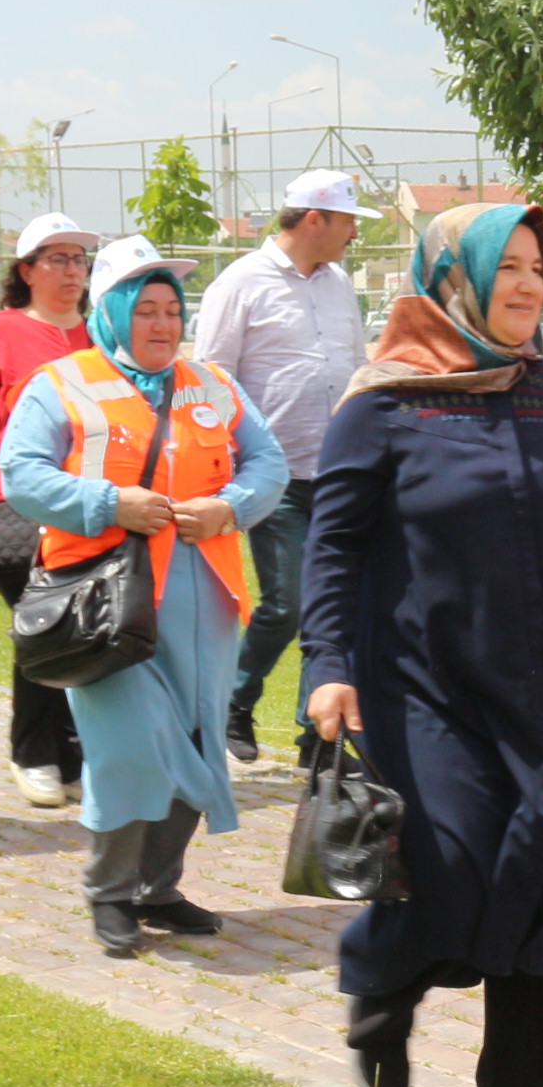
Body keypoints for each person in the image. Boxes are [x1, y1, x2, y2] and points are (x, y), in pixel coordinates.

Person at [302, 202, 543, 1087]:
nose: (528, 284)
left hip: (536, 679)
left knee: (541, 863)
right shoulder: (382, 403)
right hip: (420, 682)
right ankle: (383, 979)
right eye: (507, 266)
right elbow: (333, 547)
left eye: (537, 266)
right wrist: (328, 663)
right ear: (454, 277)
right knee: (453, 861)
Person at [0, 237, 285, 958]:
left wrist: (233, 506)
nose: (161, 325)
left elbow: (268, 462)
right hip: (105, 603)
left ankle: (157, 888)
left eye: (170, 310)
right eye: (145, 310)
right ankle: (108, 892)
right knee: (130, 749)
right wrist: (106, 502)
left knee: (196, 740)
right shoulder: (60, 384)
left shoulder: (212, 382)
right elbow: (21, 476)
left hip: (206, 598)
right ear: (113, 312)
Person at [192, 168, 376, 766]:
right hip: (272, 474)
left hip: (341, 470)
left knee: (336, 604)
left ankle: (317, 739)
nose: (354, 232)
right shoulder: (240, 283)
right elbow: (210, 380)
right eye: (348, 220)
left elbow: (355, 363)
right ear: (315, 219)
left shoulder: (340, 283)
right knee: (289, 600)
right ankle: (235, 702)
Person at [0, 212, 102, 808]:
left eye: (78, 260)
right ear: (27, 270)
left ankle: (69, 757)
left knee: (76, 628)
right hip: (12, 510)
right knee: (46, 624)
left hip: (85, 509)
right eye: (56, 259)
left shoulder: (98, 337)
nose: (70, 271)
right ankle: (35, 753)